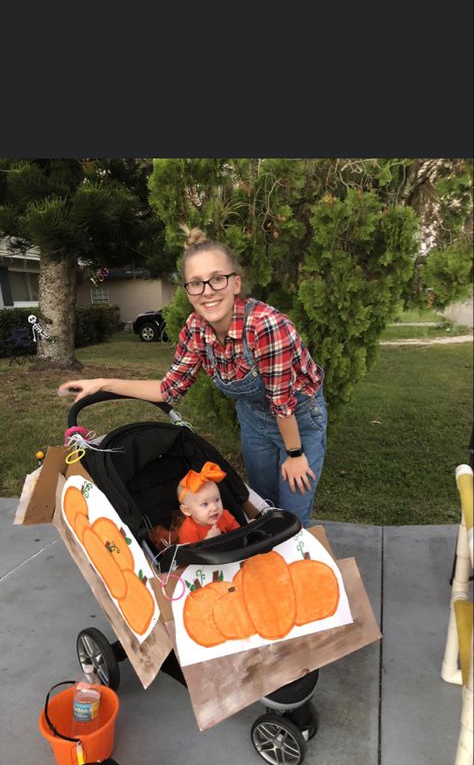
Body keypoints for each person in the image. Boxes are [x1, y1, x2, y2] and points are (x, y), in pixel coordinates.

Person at [59, 227, 327, 527]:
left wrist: (295, 454)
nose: (207, 291)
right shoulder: (196, 329)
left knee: (292, 517)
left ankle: (298, 566)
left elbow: (282, 404)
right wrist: (103, 384)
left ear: (235, 282)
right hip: (253, 418)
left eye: (217, 279)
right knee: (261, 508)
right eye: (196, 284)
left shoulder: (266, 325)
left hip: (299, 421)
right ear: (187, 291)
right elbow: (167, 389)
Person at [176, 462, 241, 544]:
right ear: (187, 510)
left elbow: (239, 533)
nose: (215, 507)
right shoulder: (188, 531)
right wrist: (208, 542)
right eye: (205, 504)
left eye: (217, 500)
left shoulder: (225, 515)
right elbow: (191, 555)